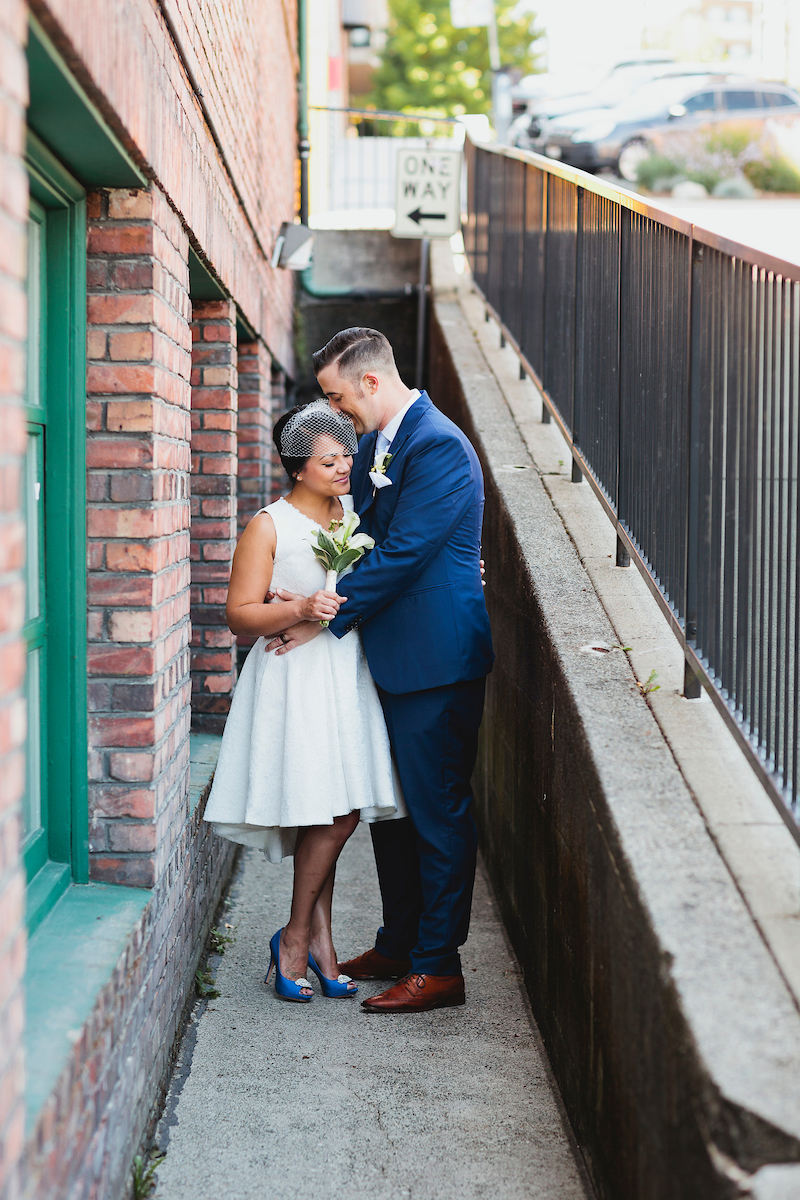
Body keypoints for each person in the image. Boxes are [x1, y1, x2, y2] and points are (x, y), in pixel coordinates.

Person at [265, 328, 494, 1013]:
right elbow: (356, 534)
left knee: (438, 812)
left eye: (336, 395)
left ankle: (438, 966)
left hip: (436, 660)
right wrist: (299, 590)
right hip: (390, 658)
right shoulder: (372, 448)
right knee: (394, 814)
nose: (335, 409)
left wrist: (317, 617)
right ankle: (398, 941)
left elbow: (402, 555)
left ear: (369, 382)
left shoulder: (441, 447)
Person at [202, 400, 405, 1003]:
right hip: (294, 679)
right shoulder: (271, 524)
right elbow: (239, 616)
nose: (344, 466)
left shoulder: (357, 512)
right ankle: (299, 940)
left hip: (345, 672)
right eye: (328, 459)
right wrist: (296, 608)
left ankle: (314, 943)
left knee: (333, 808)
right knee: (332, 813)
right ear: (297, 468)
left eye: (347, 453)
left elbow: (371, 587)